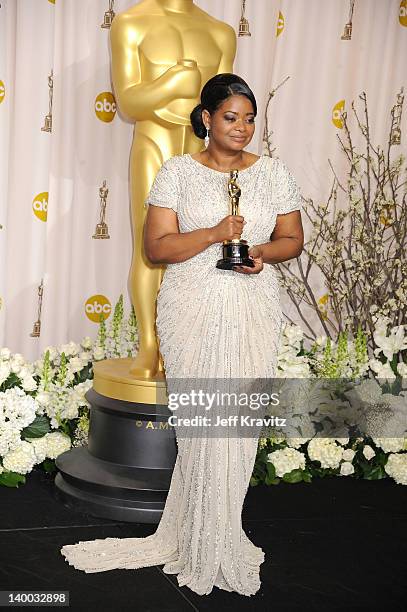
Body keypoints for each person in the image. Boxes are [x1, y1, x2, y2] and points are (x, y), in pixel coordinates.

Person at [60, 74, 304, 597]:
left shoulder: (275, 173)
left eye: (249, 118)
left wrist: (261, 254)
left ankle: (219, 534)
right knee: (202, 427)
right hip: (191, 306)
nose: (242, 127)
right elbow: (157, 248)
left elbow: (292, 239)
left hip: (253, 306)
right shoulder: (176, 172)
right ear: (207, 119)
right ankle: (196, 540)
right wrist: (216, 234)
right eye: (231, 117)